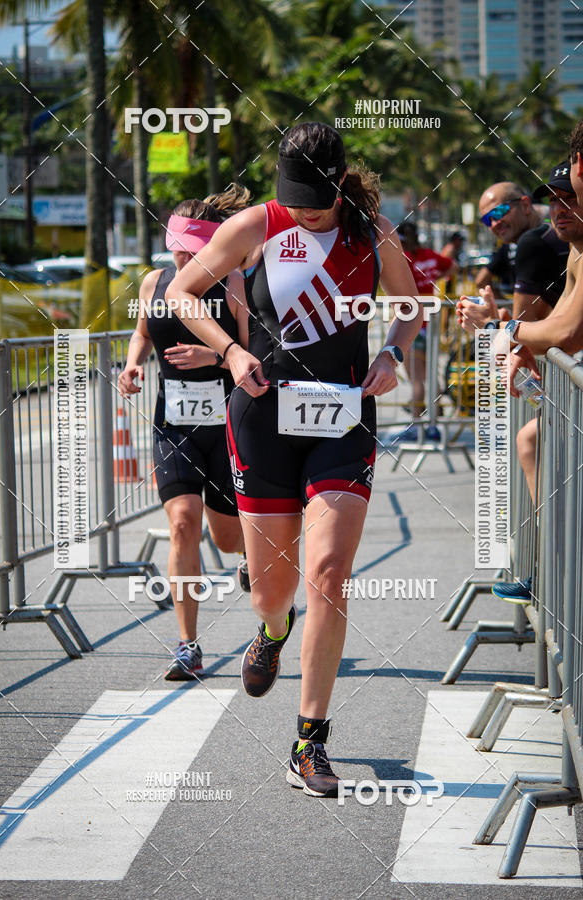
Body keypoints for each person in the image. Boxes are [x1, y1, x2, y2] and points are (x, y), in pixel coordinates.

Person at [165, 122, 422, 797]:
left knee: (330, 573)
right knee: (272, 592)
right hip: (262, 417)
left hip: (343, 418)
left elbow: (410, 306)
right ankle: (272, 630)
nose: (304, 211)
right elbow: (180, 292)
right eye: (294, 197)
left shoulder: (372, 230)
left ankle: (309, 742)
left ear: (340, 184)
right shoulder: (257, 225)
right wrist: (229, 350)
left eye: (316, 198)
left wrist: (393, 352)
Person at [117, 186, 250, 680]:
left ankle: (248, 563)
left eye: (189, 245)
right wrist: (132, 365)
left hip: (227, 424)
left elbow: (253, 347)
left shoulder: (232, 280)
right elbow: (142, 333)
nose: (180, 252)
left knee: (229, 537)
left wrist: (213, 356)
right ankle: (188, 644)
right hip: (174, 422)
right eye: (175, 242)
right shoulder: (155, 282)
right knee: (182, 522)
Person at [457, 152, 583, 603]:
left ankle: (558, 575)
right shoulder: (573, 249)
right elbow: (554, 327)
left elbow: (562, 331)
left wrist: (503, 329)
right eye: (556, 201)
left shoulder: (548, 246)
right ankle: (553, 570)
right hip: (564, 383)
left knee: (532, 441)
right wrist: (507, 329)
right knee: (530, 440)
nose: (561, 211)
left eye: (572, 198)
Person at [392, 220, 455, 441]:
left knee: (417, 378)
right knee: (430, 375)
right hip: (432, 321)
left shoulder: (403, 260)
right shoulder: (428, 254)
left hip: (411, 321)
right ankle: (434, 423)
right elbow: (452, 266)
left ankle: (417, 426)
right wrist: (434, 280)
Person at [475, 181, 569, 319]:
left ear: (525, 205)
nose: (495, 223)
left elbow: (520, 328)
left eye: (499, 212)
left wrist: (489, 324)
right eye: (487, 220)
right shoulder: (550, 234)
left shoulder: (533, 241)